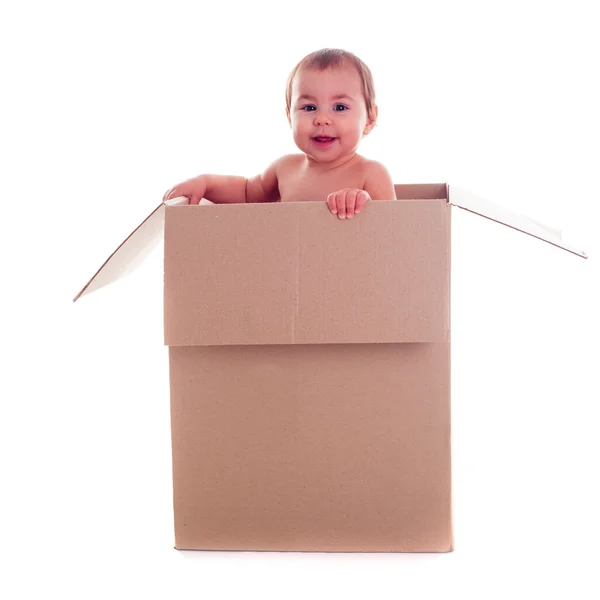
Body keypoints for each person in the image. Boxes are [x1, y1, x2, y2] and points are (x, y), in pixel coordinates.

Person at [163, 48, 396, 220]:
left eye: (340, 107)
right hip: (289, 276)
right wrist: (205, 183)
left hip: (349, 276)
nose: (322, 119)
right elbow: (245, 192)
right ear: (289, 117)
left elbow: (397, 228)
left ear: (370, 119)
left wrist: (365, 205)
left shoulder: (371, 174)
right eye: (309, 107)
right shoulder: (285, 169)